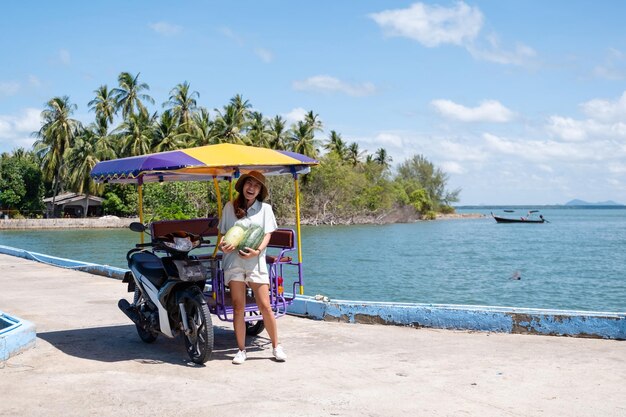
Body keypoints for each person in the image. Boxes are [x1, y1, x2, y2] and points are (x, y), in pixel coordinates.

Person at [218, 170, 287, 364]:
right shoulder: (230, 207)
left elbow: (267, 235)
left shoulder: (265, 209)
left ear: (260, 191)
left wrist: (258, 252)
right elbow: (223, 233)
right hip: (233, 262)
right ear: (243, 186)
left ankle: (276, 346)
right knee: (238, 307)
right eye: (249, 184)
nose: (251, 188)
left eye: (256, 186)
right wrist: (224, 245)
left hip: (256, 262)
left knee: (265, 306)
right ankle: (241, 350)